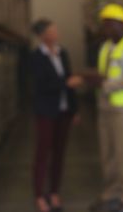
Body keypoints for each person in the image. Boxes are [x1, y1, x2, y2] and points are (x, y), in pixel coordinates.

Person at [88, 4, 123, 212]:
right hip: (106, 107)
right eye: (104, 25)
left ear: (121, 25)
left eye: (109, 24)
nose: (105, 29)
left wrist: (102, 83)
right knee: (108, 154)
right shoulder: (106, 48)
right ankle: (111, 194)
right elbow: (106, 73)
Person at [30, 19, 83, 212]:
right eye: (52, 29)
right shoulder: (37, 57)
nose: (56, 32)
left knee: (59, 153)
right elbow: (42, 85)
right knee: (43, 153)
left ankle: (54, 192)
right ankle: (38, 195)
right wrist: (65, 83)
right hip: (46, 110)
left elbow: (69, 81)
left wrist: (75, 109)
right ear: (43, 35)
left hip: (64, 111)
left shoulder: (63, 53)